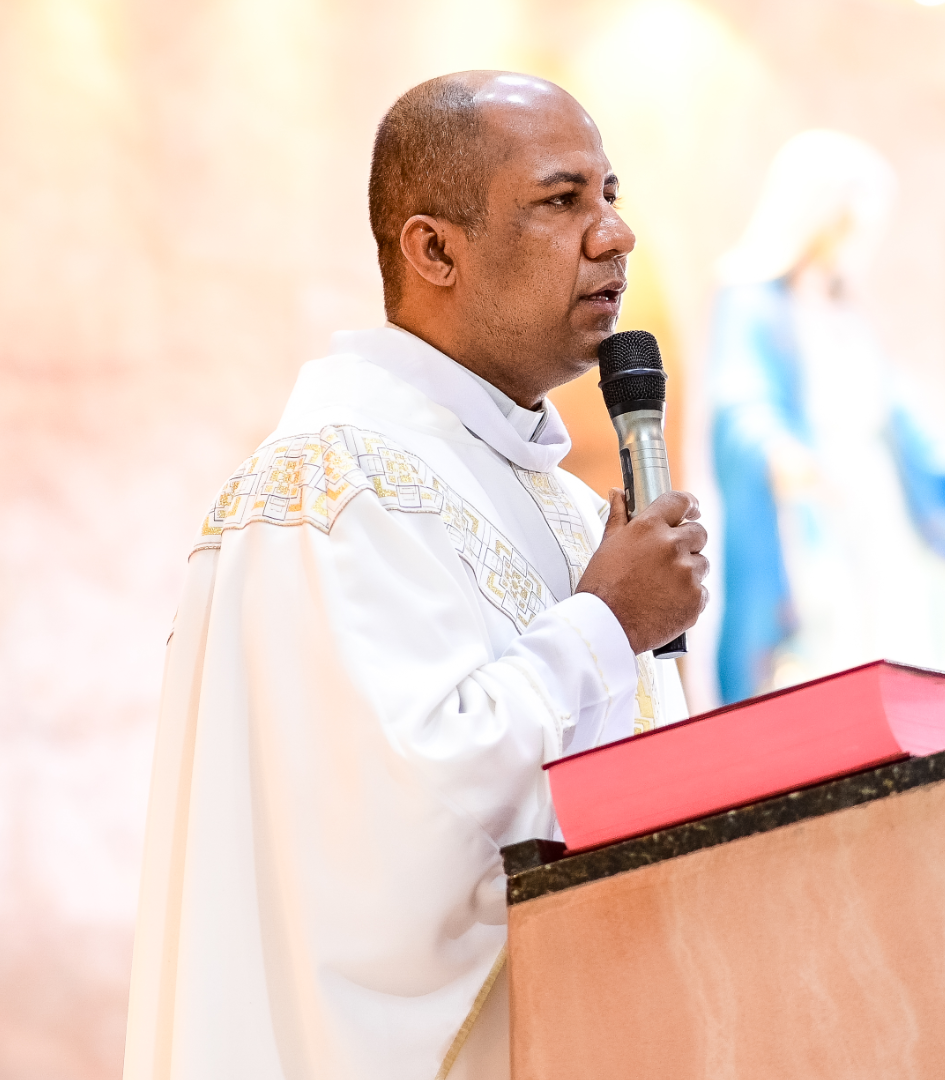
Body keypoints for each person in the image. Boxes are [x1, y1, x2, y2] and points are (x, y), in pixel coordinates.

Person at [122, 72, 707, 1080]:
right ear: (434, 250)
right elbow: (396, 831)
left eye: (611, 194)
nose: (615, 234)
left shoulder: (571, 507)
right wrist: (607, 623)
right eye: (562, 199)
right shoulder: (324, 487)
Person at [708, 129, 945, 732]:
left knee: (899, 634)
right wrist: (776, 449)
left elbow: (901, 417)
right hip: (812, 508)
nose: (852, 238)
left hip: (879, 505)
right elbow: (740, 400)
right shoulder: (753, 302)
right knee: (831, 643)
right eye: (844, 220)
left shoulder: (847, 313)